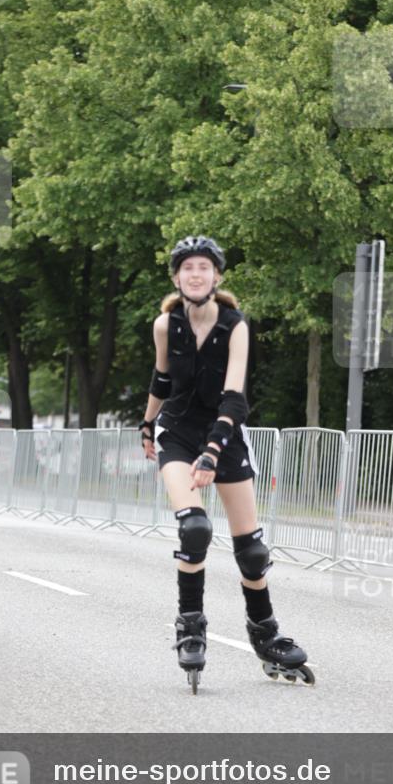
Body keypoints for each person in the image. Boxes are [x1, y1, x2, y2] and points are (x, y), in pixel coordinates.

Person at [138, 235, 313, 691]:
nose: (195, 274)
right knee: (195, 528)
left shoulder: (235, 325)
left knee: (251, 551)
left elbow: (234, 398)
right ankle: (190, 627)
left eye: (204, 267)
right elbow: (161, 379)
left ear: (217, 276)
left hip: (225, 435)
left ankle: (265, 635)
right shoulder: (165, 324)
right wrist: (147, 423)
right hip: (178, 431)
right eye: (187, 267)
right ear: (177, 277)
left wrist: (214, 450)